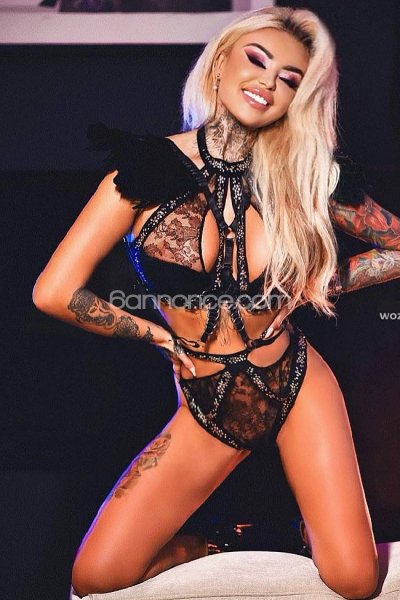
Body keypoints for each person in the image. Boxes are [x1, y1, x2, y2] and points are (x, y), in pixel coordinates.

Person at [32, 6, 400, 599]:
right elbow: (54, 291)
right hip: (210, 399)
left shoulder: (304, 176)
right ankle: (216, 544)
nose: (267, 82)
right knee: (96, 576)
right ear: (221, 61)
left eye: (289, 79)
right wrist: (155, 335)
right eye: (257, 60)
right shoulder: (146, 171)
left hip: (295, 380)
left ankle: (308, 531)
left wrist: (320, 283)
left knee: (355, 582)